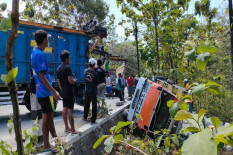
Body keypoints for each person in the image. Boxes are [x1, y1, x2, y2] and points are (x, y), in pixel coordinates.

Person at [31, 30, 61, 152]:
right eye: (48, 39)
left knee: (50, 116)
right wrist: (54, 91)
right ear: (44, 40)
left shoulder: (35, 52)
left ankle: (55, 139)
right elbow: (42, 76)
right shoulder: (40, 55)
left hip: (41, 91)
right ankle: (47, 144)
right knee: (46, 117)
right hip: (45, 91)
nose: (48, 41)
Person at [56, 50, 80, 134]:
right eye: (69, 57)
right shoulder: (68, 67)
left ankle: (67, 127)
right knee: (70, 110)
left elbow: (58, 81)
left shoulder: (58, 68)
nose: (70, 59)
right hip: (69, 91)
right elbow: (70, 80)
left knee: (65, 108)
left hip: (63, 91)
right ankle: (73, 129)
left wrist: (61, 90)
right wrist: (75, 81)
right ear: (66, 58)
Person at [83, 58, 99, 124]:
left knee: (86, 104)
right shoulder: (95, 73)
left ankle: (85, 117)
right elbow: (97, 83)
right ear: (94, 64)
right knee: (94, 106)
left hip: (87, 90)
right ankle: (93, 120)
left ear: (89, 64)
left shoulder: (85, 71)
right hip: (93, 91)